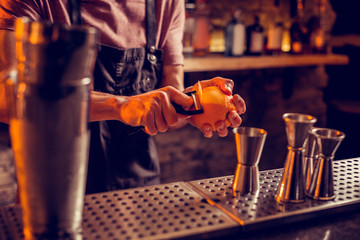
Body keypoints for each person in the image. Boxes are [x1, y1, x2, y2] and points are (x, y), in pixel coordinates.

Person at [0, 0, 246, 193]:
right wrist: (119, 106)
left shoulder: (167, 3)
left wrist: (194, 103)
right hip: (55, 192)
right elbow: (6, 100)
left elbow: (171, 99)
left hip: (138, 188)